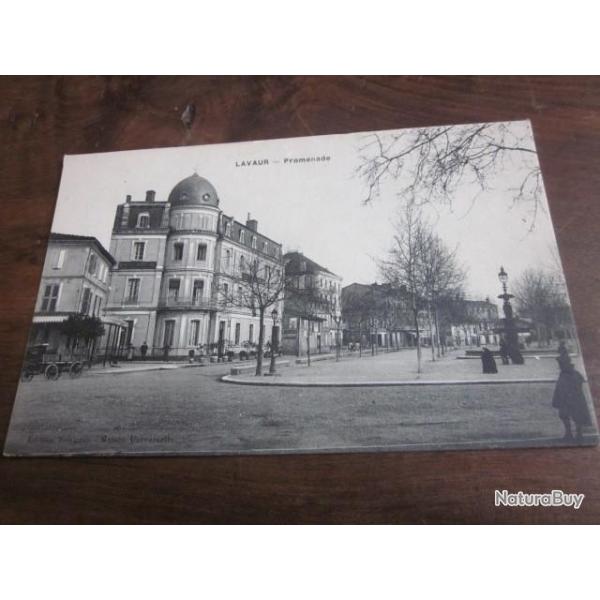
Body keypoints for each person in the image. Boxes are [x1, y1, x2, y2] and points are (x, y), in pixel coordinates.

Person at [552, 355, 591, 441]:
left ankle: (578, 434)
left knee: (576, 416)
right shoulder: (565, 373)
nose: (560, 366)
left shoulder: (573, 374)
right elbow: (560, 387)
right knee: (563, 415)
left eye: (561, 364)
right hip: (566, 399)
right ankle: (569, 433)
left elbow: (577, 386)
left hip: (573, 400)